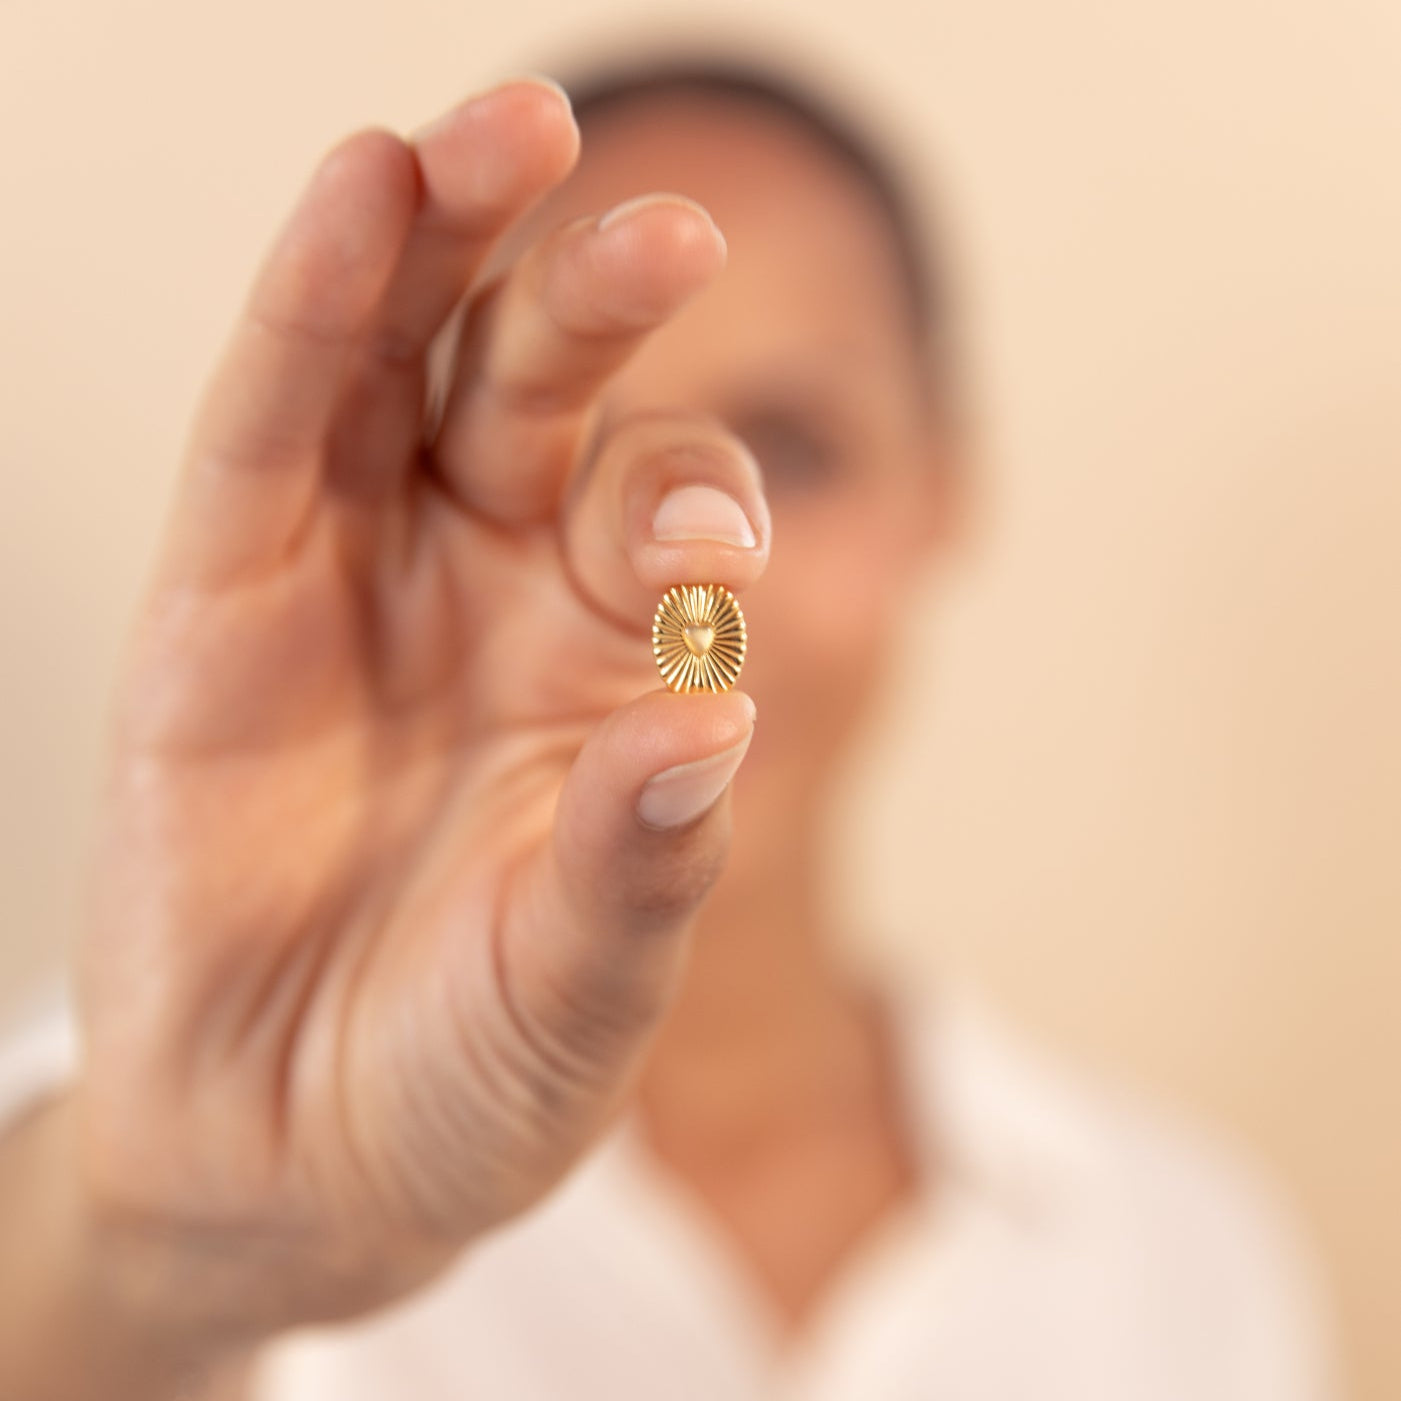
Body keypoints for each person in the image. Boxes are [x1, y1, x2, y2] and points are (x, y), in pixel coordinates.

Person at [0, 50, 1339, 1401]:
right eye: (581, 452)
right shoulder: (150, 1113)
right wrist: (150, 1255)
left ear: (943, 482)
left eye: (795, 447)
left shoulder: (1178, 1260)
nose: (692, 578)